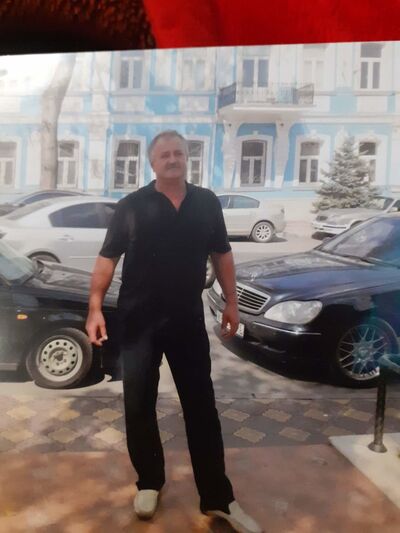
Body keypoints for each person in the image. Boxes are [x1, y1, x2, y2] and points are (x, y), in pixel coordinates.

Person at [86, 130, 262, 533]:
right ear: (152, 162)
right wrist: (95, 307)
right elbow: (107, 258)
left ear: (187, 158)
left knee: (202, 408)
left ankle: (218, 498)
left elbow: (222, 253)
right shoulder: (132, 206)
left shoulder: (206, 202)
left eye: (178, 153)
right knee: (139, 405)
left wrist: (232, 302)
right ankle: (149, 482)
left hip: (186, 321)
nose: (172, 159)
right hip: (138, 322)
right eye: (164, 154)